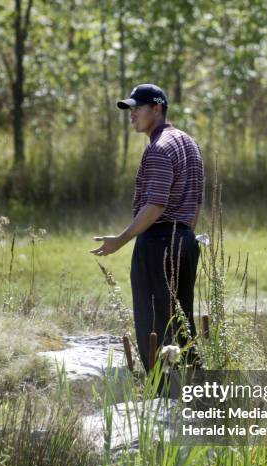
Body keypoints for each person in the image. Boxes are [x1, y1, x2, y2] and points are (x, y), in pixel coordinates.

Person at [91, 83, 204, 372]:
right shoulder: (189, 143)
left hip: (158, 244)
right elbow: (195, 202)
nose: (132, 115)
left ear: (157, 108)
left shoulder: (158, 148)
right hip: (186, 241)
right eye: (130, 109)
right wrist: (184, 236)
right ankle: (195, 393)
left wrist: (121, 238)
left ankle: (163, 397)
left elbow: (155, 205)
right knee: (181, 322)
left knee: (153, 326)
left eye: (137, 108)